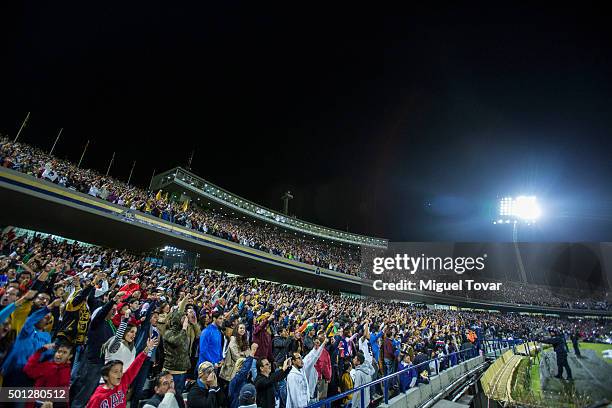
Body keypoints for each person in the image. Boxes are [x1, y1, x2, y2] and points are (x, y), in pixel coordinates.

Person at [87, 336, 157, 408]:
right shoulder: (97, 398)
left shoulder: (123, 382)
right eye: (115, 371)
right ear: (106, 376)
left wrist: (146, 349)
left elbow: (134, 366)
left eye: (121, 371)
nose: (120, 374)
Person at [23, 341, 73, 408]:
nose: (60, 354)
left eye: (64, 352)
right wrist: (40, 351)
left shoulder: (66, 372)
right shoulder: (46, 365)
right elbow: (28, 369)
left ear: (70, 356)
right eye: (59, 351)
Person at [286, 338, 326, 408]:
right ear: (293, 361)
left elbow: (312, 357)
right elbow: (295, 397)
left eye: (301, 358)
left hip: (306, 403)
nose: (302, 360)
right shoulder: (292, 376)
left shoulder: (301, 369)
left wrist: (316, 348)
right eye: (299, 358)